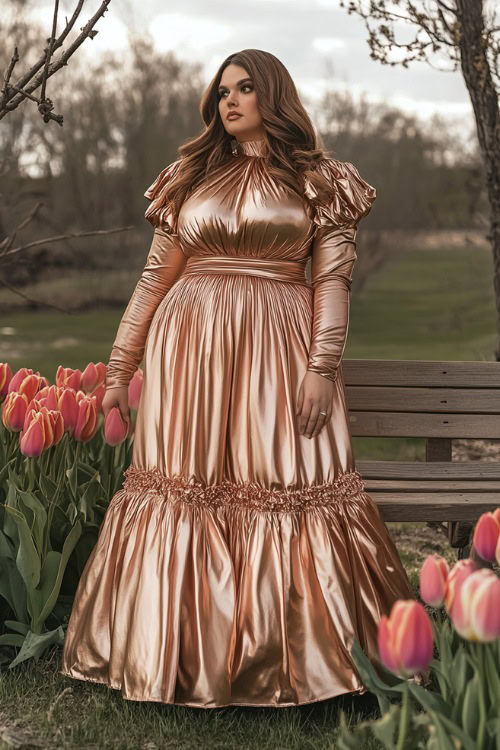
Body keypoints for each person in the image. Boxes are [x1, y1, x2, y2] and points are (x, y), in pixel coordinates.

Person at [60, 48, 418, 708]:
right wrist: (119, 368)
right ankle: (172, 661)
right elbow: (151, 280)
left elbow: (332, 282)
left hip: (279, 350)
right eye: (222, 89)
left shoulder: (322, 179)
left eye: (246, 88)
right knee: (184, 487)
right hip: (188, 349)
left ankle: (311, 663)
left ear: (272, 95)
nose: (230, 100)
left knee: (284, 485)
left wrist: (321, 368)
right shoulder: (187, 177)